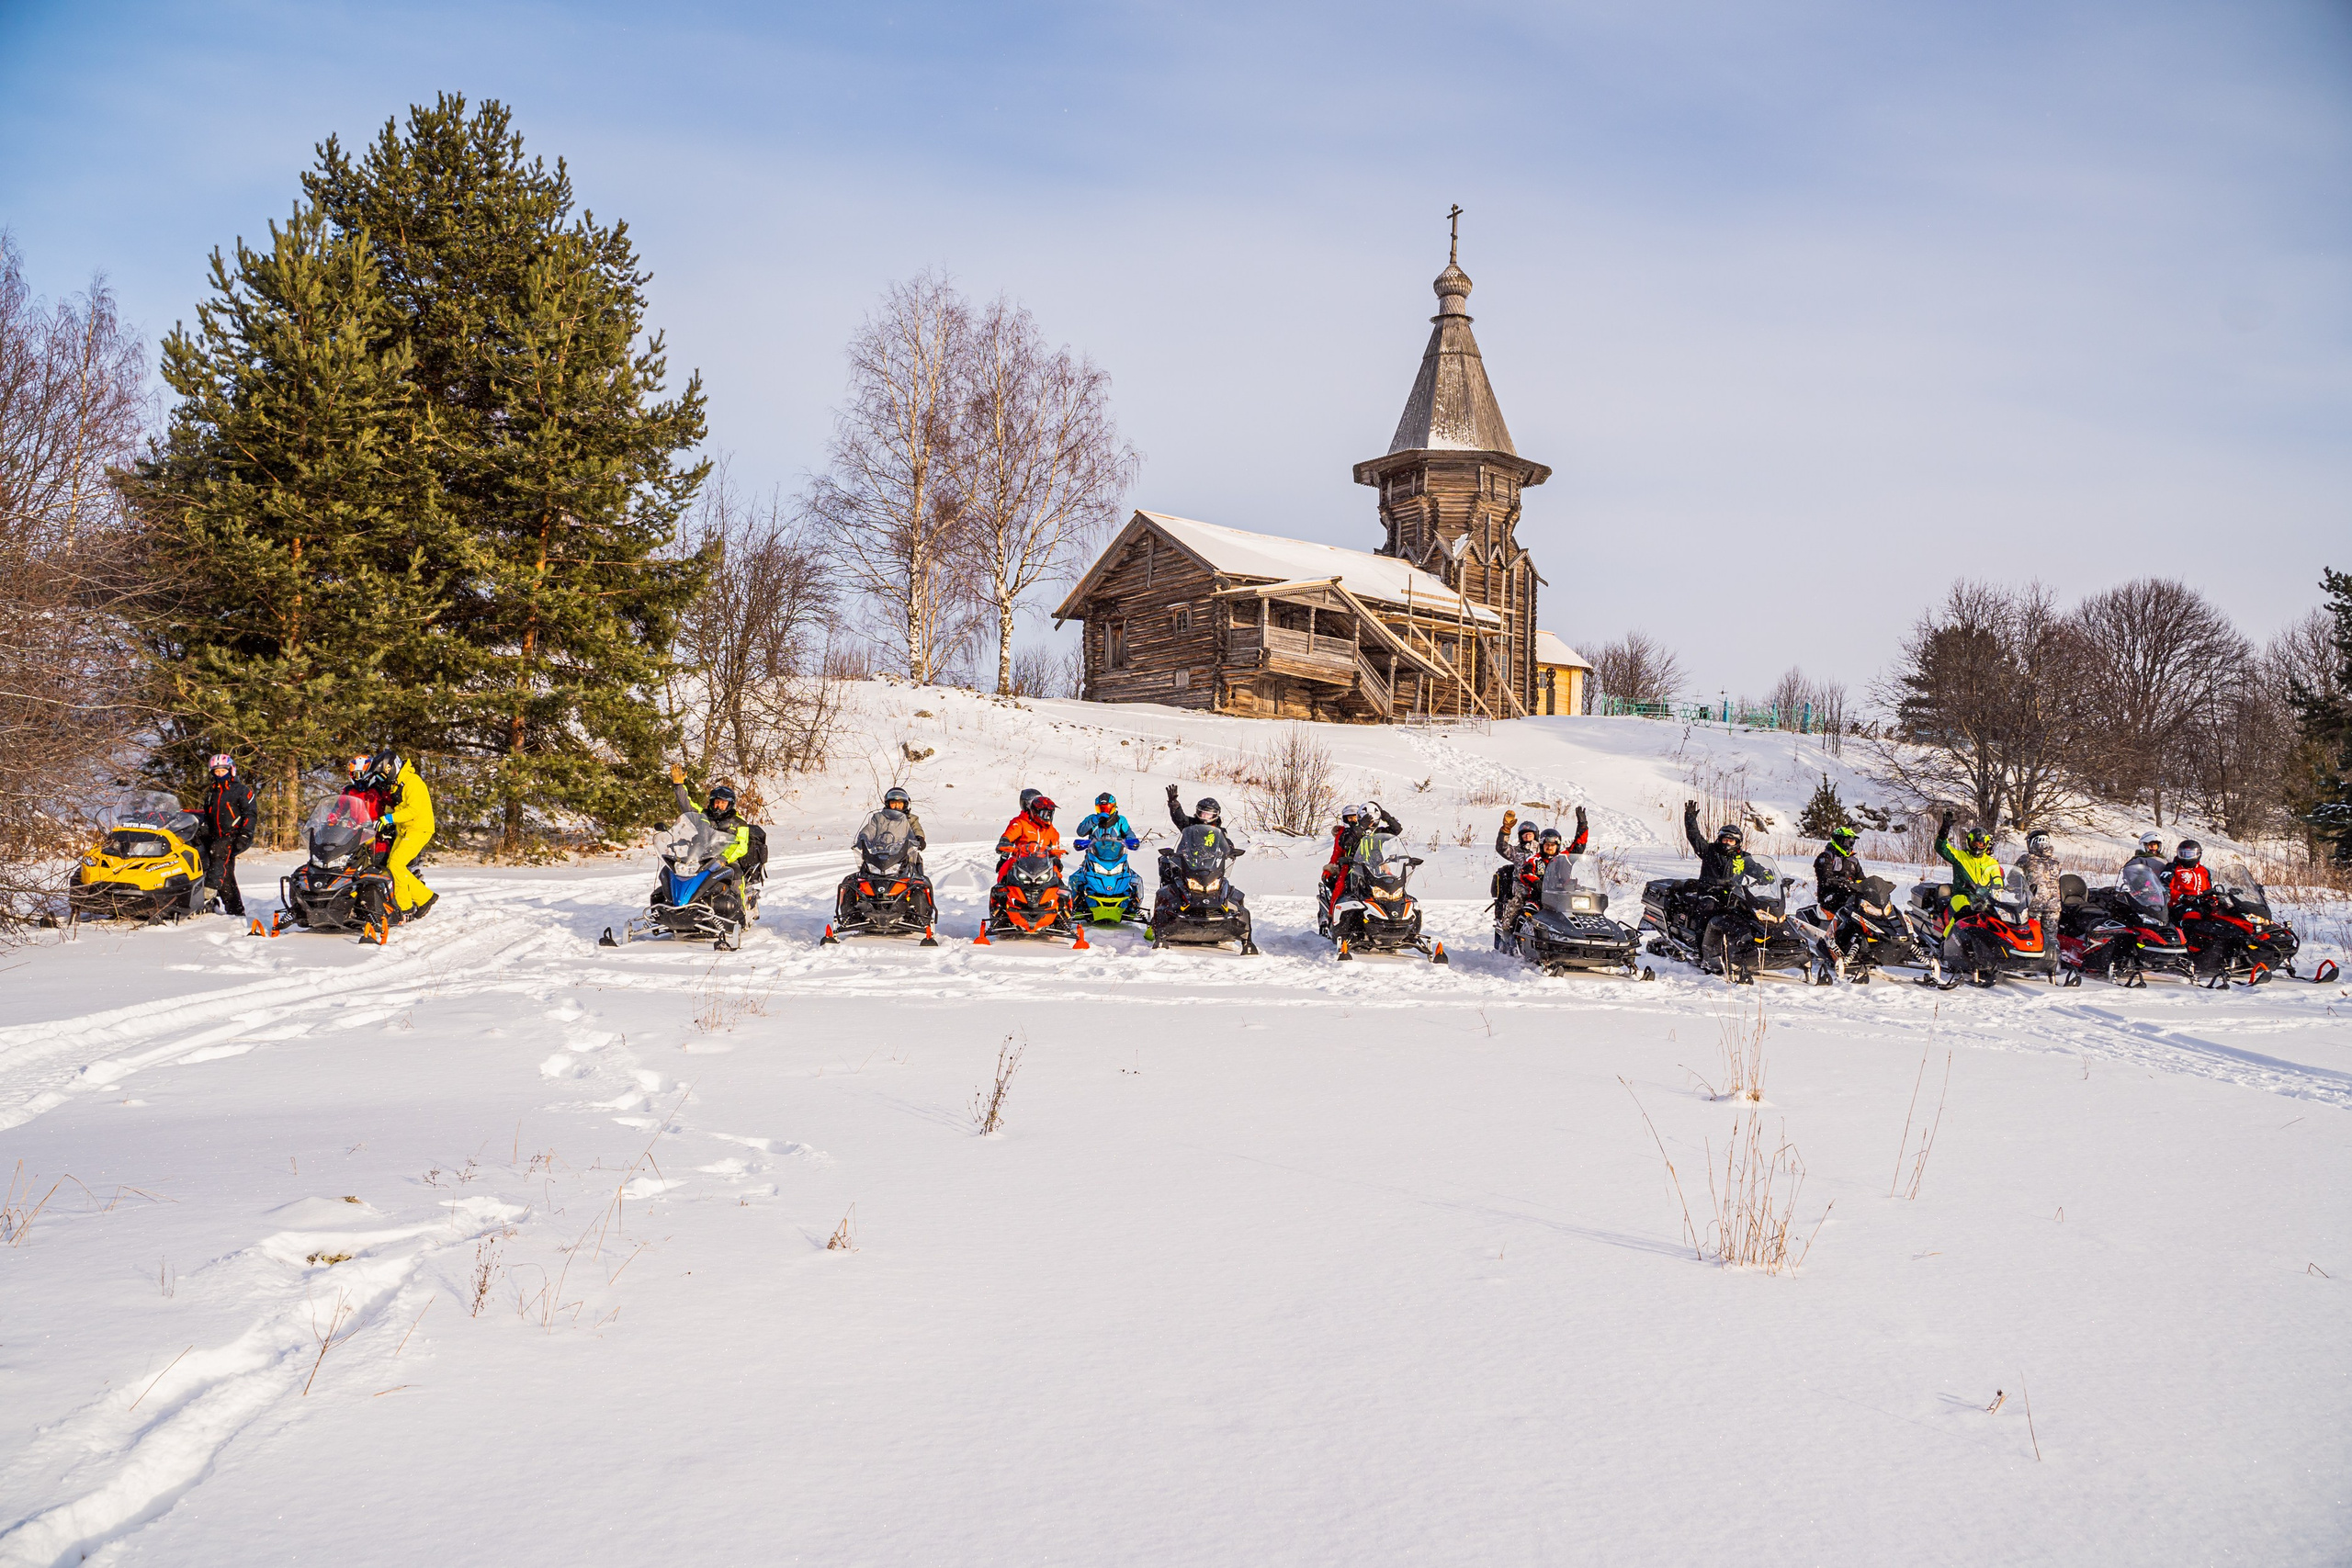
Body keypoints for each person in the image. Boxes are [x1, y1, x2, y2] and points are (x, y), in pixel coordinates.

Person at [364, 749, 436, 925]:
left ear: (391, 769)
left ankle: (410, 905)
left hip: (419, 829)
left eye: (381, 775)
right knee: (391, 866)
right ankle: (418, 900)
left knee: (396, 864)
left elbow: (413, 811)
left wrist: (389, 818)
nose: (381, 779)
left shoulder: (413, 782)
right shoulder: (399, 783)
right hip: (405, 830)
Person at [197, 752, 257, 917]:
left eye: (222, 771)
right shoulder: (212, 793)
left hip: (235, 835)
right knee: (225, 873)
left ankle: (207, 892)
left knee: (218, 852)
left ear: (231, 770)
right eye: (216, 772)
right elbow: (208, 815)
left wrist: (245, 834)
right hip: (216, 835)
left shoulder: (242, 791)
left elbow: (250, 814)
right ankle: (235, 910)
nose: (219, 775)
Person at [1932, 811, 2000, 927]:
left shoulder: (1992, 863)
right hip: (1962, 896)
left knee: (1998, 919)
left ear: (1986, 844)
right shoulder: (1960, 856)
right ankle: (1946, 941)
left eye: (1981, 844)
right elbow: (1941, 848)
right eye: (1974, 844)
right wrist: (1944, 831)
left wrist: (2003, 889)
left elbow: (1998, 881)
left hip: (1985, 900)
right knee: (1964, 914)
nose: (1977, 847)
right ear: (1969, 842)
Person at [2019, 829, 2064, 974]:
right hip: (2053, 906)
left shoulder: (2027, 859)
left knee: (2033, 935)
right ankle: (2054, 965)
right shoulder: (2056, 861)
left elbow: (2014, 877)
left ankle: (2031, 966)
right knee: (2051, 936)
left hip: (2033, 905)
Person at [996, 791, 1062, 880]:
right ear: (1035, 812)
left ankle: (1061, 892)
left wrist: (1057, 858)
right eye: (1044, 814)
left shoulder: (1051, 831)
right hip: (1020, 861)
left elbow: (1056, 847)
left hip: (1043, 864)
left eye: (1050, 814)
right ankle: (1000, 890)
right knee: (1004, 870)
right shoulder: (1021, 823)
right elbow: (1011, 833)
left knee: (1057, 876)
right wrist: (1005, 841)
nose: (1047, 817)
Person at [855, 786, 925, 869]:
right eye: (893, 803)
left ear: (905, 805)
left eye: (900, 804)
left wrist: (919, 838)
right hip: (878, 855)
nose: (896, 806)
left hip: (902, 856)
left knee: (917, 872)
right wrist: (863, 837)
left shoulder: (911, 819)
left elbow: (917, 829)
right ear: (888, 804)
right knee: (862, 875)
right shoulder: (878, 817)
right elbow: (870, 829)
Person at [1813, 825, 1867, 919]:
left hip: (1850, 895)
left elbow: (1861, 879)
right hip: (1830, 896)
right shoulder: (1826, 857)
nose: (1849, 845)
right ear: (1838, 840)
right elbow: (1825, 878)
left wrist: (1871, 887)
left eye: (1851, 842)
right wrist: (1843, 883)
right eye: (1847, 841)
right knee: (1845, 897)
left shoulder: (1853, 861)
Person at [1073, 792, 1138, 860]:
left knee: (1127, 870)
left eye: (1107, 808)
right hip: (1094, 858)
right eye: (1101, 808)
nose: (1104, 811)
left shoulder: (1120, 820)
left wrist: (1129, 841)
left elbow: (1129, 833)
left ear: (1113, 807)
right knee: (1083, 870)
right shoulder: (1091, 818)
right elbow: (1080, 832)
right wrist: (1093, 821)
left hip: (1116, 858)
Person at [2164, 838, 2212, 907]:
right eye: (2183, 854)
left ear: (2198, 854)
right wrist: (2181, 897)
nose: (2186, 857)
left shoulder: (2203, 871)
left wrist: (2212, 897)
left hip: (2202, 904)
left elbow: (2209, 889)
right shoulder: (2173, 869)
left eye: (2190, 854)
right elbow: (2164, 888)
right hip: (2180, 905)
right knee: (2193, 915)